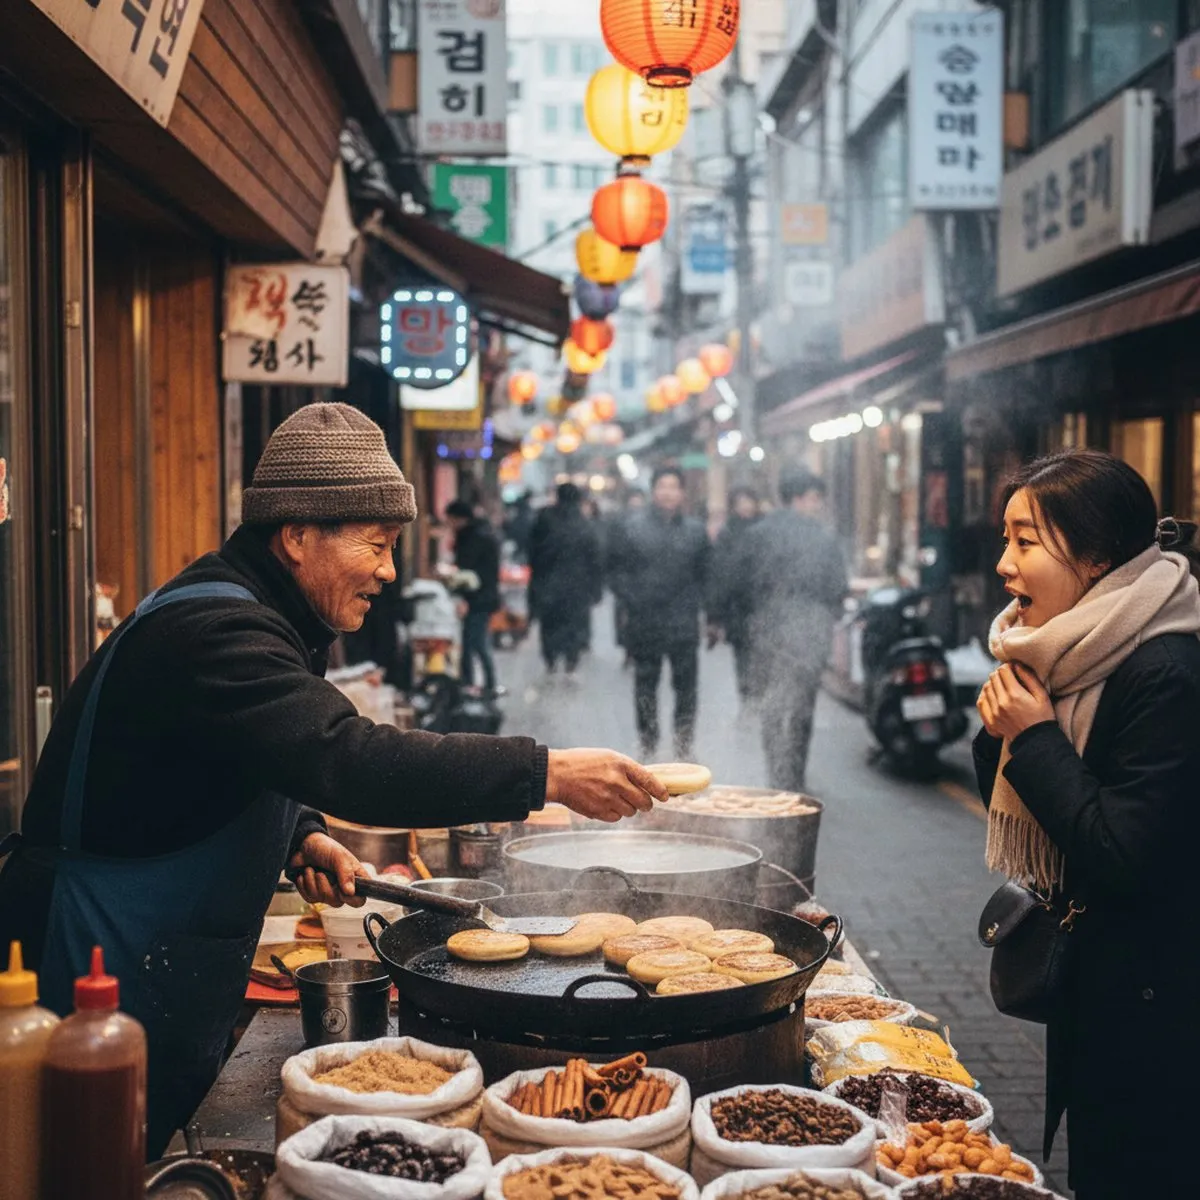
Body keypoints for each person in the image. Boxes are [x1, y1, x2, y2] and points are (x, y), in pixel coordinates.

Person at [0, 403, 667, 1158]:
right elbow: (344, 758)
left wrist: (300, 835)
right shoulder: (219, 631)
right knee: (87, 1162)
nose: (388, 570)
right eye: (376, 546)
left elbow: (247, 752)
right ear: (296, 535)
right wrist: (547, 772)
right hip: (91, 956)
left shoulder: (263, 613)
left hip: (159, 964)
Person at [974, 450, 1200, 1199]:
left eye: (1027, 542)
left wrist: (1034, 736)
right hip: (1108, 998)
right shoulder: (1065, 652)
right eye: (1006, 539)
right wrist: (1008, 727)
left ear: (1098, 555)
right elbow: (1016, 800)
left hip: (1160, 1015)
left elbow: (1121, 852)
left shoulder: (1164, 669)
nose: (1006, 564)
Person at [729, 467, 846, 791]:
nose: (817, 505)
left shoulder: (757, 533)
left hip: (767, 635)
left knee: (772, 706)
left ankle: (774, 774)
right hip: (809, 636)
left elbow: (739, 585)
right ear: (797, 499)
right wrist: (824, 620)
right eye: (813, 499)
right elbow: (837, 587)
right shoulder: (822, 537)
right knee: (801, 708)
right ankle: (794, 778)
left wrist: (748, 627)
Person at [607, 467, 709, 760]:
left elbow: (707, 573)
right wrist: (632, 599)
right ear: (653, 491)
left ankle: (683, 745)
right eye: (662, 486)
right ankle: (648, 742)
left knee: (686, 688)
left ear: (682, 493)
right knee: (645, 685)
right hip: (645, 619)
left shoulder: (695, 530)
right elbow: (615, 570)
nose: (667, 492)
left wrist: (705, 609)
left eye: (673, 486)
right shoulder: (632, 527)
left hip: (683, 621)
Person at [528, 483, 602, 679]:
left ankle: (551, 659)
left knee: (549, 623)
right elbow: (594, 557)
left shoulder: (544, 519)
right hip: (577, 585)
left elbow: (533, 551)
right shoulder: (584, 523)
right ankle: (571, 661)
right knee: (573, 624)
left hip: (548, 583)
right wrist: (596, 588)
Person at [707, 486, 761, 706]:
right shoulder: (727, 532)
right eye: (741, 502)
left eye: (749, 501)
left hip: (763, 603)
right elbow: (719, 573)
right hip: (738, 606)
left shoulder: (765, 528)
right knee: (742, 653)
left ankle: (759, 695)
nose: (746, 506)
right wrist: (715, 615)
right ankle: (747, 697)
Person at [444, 499, 502, 696]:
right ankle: (474, 683)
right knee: (472, 642)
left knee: (475, 642)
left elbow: (471, 572)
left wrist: (464, 596)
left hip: (478, 598)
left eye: (450, 519)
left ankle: (485, 684)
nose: (449, 524)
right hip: (482, 597)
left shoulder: (473, 538)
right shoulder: (479, 534)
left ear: (460, 519)